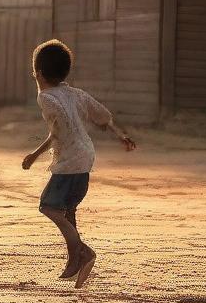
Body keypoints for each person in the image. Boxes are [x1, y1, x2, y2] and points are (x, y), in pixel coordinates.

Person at [22, 39, 136, 288]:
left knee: (49, 207)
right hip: (85, 157)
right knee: (68, 210)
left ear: (38, 74)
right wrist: (121, 135)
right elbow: (102, 116)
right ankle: (74, 261)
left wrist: (34, 154)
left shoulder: (46, 98)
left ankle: (83, 251)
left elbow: (56, 131)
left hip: (70, 161)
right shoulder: (76, 94)